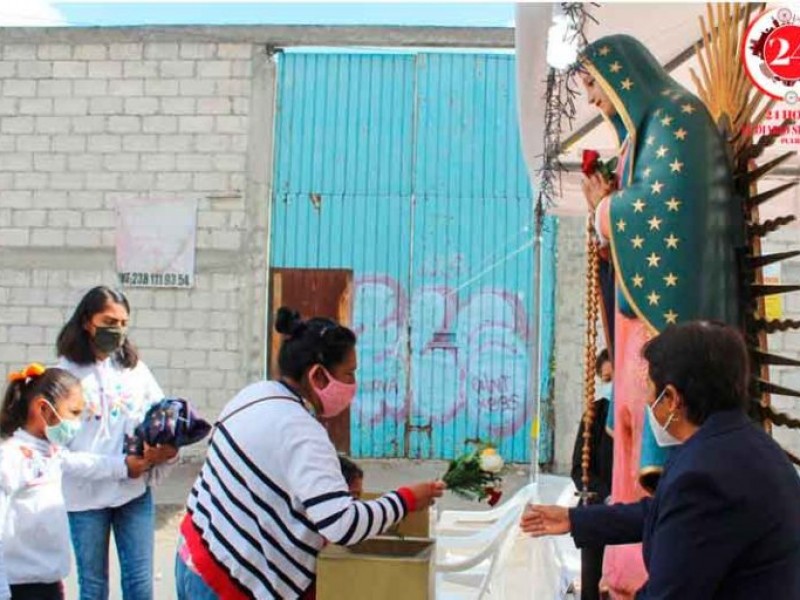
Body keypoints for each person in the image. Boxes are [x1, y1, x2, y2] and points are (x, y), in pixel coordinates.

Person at [577, 34, 743, 597]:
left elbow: (660, 209)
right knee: (626, 436)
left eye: (597, 89)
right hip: (634, 323)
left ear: (623, 76)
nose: (597, 103)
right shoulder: (641, 135)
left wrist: (605, 211)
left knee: (657, 440)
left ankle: (651, 574)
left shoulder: (678, 119)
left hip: (661, 318)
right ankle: (624, 573)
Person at [175, 307, 445, 600]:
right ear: (318, 375)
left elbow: (272, 467)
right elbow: (344, 525)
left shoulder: (255, 394)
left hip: (195, 552)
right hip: (227, 581)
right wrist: (406, 499)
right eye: (349, 374)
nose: (353, 386)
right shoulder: (302, 431)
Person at [522, 322, 800, 599]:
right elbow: (662, 512)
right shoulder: (748, 444)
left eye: (649, 389)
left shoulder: (704, 475)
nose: (645, 399)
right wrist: (575, 519)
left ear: (672, 398)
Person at [56, 286, 178, 600]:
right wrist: (119, 467)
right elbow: (59, 456)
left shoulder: (134, 369)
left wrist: (165, 449)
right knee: (93, 587)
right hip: (85, 501)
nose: (118, 330)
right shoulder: (63, 376)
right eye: (110, 321)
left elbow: (162, 417)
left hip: (133, 494)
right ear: (87, 321)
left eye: (124, 323)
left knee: (140, 586)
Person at [0, 364, 150, 600]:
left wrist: (124, 467)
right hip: (16, 586)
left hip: (48, 582)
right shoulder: (10, 458)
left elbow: (86, 464)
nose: (77, 424)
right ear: (43, 408)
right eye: (74, 413)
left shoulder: (50, 453)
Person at [570, 349, 614, 600]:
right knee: (592, 588)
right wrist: (608, 496)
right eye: (606, 380)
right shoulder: (595, 414)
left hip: (636, 515)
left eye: (616, 377)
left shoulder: (649, 413)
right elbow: (579, 469)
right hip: (598, 512)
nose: (612, 386)